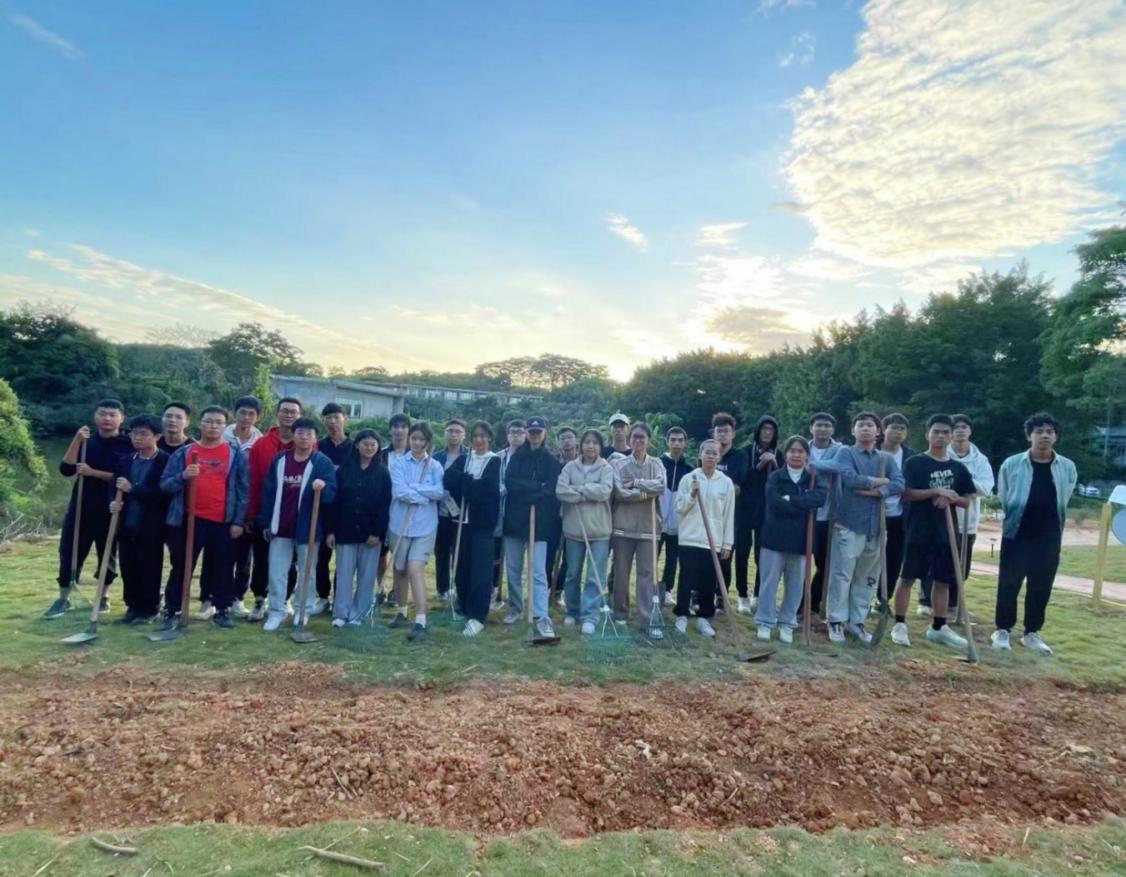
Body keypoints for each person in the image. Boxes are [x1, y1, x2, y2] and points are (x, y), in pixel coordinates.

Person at [990, 413, 1077, 655]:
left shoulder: (1067, 466)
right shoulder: (1012, 464)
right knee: (1009, 583)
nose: (1044, 436)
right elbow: (1005, 496)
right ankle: (1002, 629)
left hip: (1049, 535)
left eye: (1050, 432)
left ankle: (1031, 632)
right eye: (1039, 432)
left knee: (1041, 585)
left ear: (1056, 437)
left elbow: (1066, 495)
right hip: (1017, 532)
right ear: (1029, 436)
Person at [157, 406, 249, 630]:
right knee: (181, 566)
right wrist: (183, 476)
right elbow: (165, 485)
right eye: (209, 421)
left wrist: (238, 521)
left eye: (218, 422)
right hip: (189, 520)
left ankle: (222, 609)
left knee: (222, 567)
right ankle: (172, 610)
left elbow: (243, 490)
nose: (213, 426)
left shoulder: (234, 454)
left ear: (224, 427)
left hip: (222, 521)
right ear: (200, 423)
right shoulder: (184, 453)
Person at [890, 414, 975, 650]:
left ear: (951, 436)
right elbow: (905, 494)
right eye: (936, 431)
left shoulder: (958, 468)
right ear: (928, 434)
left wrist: (951, 498)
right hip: (918, 529)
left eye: (945, 432)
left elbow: (967, 500)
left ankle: (939, 627)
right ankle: (900, 624)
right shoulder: (915, 463)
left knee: (942, 580)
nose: (940, 436)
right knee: (907, 577)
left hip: (945, 532)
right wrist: (935, 492)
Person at [817, 412, 904, 643]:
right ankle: (836, 620)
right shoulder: (846, 453)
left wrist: (879, 492)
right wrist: (878, 481)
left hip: (876, 526)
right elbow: (850, 479)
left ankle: (857, 621)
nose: (865, 429)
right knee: (842, 574)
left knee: (867, 577)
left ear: (878, 432)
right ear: (853, 430)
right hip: (848, 523)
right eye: (861, 425)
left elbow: (899, 483)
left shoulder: (886, 459)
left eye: (870, 425)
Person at [44, 399, 132, 618]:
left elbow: (127, 477)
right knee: (69, 552)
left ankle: (103, 596)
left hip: (112, 507)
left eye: (112, 414)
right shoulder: (86, 441)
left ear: (122, 418)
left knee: (107, 554)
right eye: (102, 414)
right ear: (95, 416)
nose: (107, 418)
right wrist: (76, 440)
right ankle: (64, 598)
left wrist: (94, 473)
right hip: (81, 506)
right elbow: (66, 469)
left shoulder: (128, 444)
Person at [257, 417, 336, 632]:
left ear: (315, 438)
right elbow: (268, 491)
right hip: (280, 525)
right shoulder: (280, 459)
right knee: (277, 572)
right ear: (293, 435)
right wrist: (265, 521)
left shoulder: (322, 462)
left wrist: (323, 487)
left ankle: (303, 610)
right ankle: (276, 611)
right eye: (300, 432)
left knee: (307, 572)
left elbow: (332, 494)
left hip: (308, 527)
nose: (304, 437)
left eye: (309, 433)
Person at [755, 436, 828, 643]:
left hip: (801, 540)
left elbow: (819, 498)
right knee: (769, 582)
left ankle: (787, 622)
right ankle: (765, 621)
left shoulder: (813, 478)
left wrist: (793, 500)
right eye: (792, 451)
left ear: (807, 455)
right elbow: (775, 503)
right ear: (785, 454)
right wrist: (802, 504)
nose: (796, 455)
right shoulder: (776, 477)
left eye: (800, 451)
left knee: (796, 584)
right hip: (774, 538)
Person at [242, 397, 305, 621]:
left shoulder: (307, 443)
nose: (289, 415)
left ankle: (285, 599)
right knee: (262, 559)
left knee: (291, 561)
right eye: (285, 411)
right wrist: (251, 514)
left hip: (294, 515)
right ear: (277, 414)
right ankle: (260, 599)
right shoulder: (261, 444)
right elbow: (253, 480)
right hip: (265, 512)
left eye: (293, 412)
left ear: (300, 416)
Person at [502, 416, 563, 637]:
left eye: (538, 432)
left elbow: (551, 491)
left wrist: (529, 489)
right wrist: (536, 487)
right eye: (531, 431)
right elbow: (510, 483)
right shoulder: (516, 457)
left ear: (545, 434)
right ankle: (516, 607)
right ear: (527, 433)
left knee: (538, 572)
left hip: (540, 523)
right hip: (514, 521)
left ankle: (541, 615)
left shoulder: (552, 462)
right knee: (513, 569)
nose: (535, 435)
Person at [386, 422, 446, 640]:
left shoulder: (435, 466)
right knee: (400, 568)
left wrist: (415, 488)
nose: (417, 443)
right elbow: (399, 492)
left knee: (414, 568)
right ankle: (402, 612)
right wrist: (423, 496)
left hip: (425, 526)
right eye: (414, 438)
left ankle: (421, 621)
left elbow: (439, 492)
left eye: (422, 439)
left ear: (428, 442)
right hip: (399, 524)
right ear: (409, 439)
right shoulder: (398, 463)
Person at [326, 429, 390, 627]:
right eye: (365, 444)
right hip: (345, 530)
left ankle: (358, 614)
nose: (369, 447)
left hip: (371, 534)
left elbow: (384, 505)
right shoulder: (344, 470)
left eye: (373, 444)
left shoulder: (382, 473)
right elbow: (335, 502)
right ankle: (340, 613)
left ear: (378, 447)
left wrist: (377, 533)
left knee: (366, 576)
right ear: (357, 445)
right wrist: (331, 530)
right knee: (344, 575)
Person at [109, 414, 168, 625]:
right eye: (134, 434)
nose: (137, 438)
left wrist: (133, 489)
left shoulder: (164, 461)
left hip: (151, 525)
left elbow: (162, 493)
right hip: (126, 523)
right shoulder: (125, 460)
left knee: (149, 566)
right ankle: (132, 607)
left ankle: (150, 608)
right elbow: (114, 486)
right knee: (128, 566)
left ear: (157, 436)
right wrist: (112, 502)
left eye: (143, 434)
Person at [444, 421, 502, 636]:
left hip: (482, 524)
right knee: (461, 567)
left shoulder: (494, 461)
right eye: (476, 436)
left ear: (490, 439)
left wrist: (465, 484)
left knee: (480, 571)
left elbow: (487, 489)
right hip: (462, 522)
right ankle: (464, 607)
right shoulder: (464, 458)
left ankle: (478, 616)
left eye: (483, 436)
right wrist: (469, 482)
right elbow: (448, 478)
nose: (479, 440)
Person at [673, 439, 735, 638]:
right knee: (686, 577)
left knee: (708, 580)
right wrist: (692, 495)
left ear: (719, 457)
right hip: (690, 537)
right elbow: (679, 507)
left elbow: (728, 515)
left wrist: (727, 543)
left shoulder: (725, 483)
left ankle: (704, 617)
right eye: (707, 452)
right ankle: (681, 614)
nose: (710, 456)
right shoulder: (689, 479)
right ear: (700, 454)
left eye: (714, 453)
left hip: (713, 539)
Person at [556, 429, 615, 634]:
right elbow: (561, 490)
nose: (591, 446)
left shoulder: (606, 468)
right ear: (581, 445)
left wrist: (579, 489)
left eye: (595, 443)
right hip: (574, 529)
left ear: (600, 447)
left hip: (599, 530)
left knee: (594, 575)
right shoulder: (570, 467)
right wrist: (589, 490)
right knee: (572, 573)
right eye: (587, 442)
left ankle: (590, 615)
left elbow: (604, 491)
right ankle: (572, 611)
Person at [610, 422, 666, 636]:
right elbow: (620, 493)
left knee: (647, 574)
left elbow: (661, 486)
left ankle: (647, 618)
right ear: (629, 438)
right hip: (623, 526)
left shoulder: (657, 463)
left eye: (642, 437)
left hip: (648, 527)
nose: (638, 441)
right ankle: (620, 614)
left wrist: (636, 482)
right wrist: (646, 492)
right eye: (635, 437)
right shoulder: (619, 464)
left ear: (649, 440)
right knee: (621, 572)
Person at [314, 402, 353, 616]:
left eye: (336, 417)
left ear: (344, 419)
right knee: (321, 556)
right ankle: (322, 596)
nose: (332, 422)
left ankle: (340, 597)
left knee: (344, 558)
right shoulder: (318, 446)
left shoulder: (354, 447)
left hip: (346, 509)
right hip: (322, 508)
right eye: (328, 418)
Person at [226, 395, 262, 617]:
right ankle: (213, 598)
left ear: (258, 417)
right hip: (221, 507)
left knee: (243, 558)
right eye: (242, 412)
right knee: (220, 556)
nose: (246, 417)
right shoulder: (222, 436)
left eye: (251, 414)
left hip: (247, 508)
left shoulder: (261, 443)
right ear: (234, 413)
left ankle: (238, 598)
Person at [879, 413, 917, 615]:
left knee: (894, 560)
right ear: (884, 429)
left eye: (902, 429)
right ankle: (861, 601)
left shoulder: (911, 457)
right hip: (872, 511)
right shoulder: (872, 450)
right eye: (894, 427)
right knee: (868, 558)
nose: (898, 432)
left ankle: (884, 598)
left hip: (900, 515)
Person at [805, 412, 841, 621]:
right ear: (811, 428)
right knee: (800, 563)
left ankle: (814, 602)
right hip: (802, 514)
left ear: (833, 430)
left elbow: (838, 466)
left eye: (827, 426)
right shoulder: (803, 447)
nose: (823, 429)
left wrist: (811, 465)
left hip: (827, 515)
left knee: (824, 563)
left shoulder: (840, 450)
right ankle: (798, 605)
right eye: (819, 425)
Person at [741, 415, 780, 607]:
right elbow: (742, 478)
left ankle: (758, 593)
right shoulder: (746, 452)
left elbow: (782, 479)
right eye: (764, 428)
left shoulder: (780, 454)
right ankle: (742, 595)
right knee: (742, 552)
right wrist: (760, 465)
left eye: (771, 430)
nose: (767, 433)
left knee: (762, 554)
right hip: (745, 509)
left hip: (767, 511)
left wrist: (774, 462)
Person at [711, 412, 748, 610]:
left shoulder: (739, 456)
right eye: (719, 431)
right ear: (714, 433)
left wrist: (717, 488)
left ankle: (721, 596)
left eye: (726, 431)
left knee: (725, 556)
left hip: (731, 516)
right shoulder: (708, 453)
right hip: (709, 513)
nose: (722, 435)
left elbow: (738, 487)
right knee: (705, 555)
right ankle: (700, 593)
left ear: (733, 433)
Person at [493, 419, 527, 609]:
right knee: (496, 554)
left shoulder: (528, 458)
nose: (516, 435)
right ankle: (494, 592)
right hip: (498, 512)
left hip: (519, 515)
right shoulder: (498, 457)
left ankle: (516, 600)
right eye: (513, 432)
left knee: (515, 562)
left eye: (520, 432)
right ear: (507, 435)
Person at [377, 412, 411, 598]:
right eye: (395, 427)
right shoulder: (380, 454)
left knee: (401, 554)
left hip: (404, 510)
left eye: (403, 427)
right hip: (383, 509)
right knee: (380, 552)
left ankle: (397, 591)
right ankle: (381, 588)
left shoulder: (414, 455)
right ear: (390, 430)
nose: (399, 430)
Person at [433, 418, 467, 602]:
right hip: (439, 511)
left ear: (464, 435)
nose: (454, 435)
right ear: (445, 433)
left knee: (460, 551)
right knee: (441, 550)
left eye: (457, 431)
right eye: (450, 431)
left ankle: (459, 587)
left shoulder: (469, 456)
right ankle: (442, 588)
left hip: (461, 511)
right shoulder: (436, 457)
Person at [658, 426, 692, 606]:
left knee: (672, 559)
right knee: (651, 557)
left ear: (685, 443)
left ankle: (667, 590)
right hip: (657, 521)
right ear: (667, 442)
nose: (676, 444)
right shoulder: (658, 464)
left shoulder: (689, 469)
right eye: (673, 440)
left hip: (678, 523)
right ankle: (649, 589)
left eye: (680, 440)